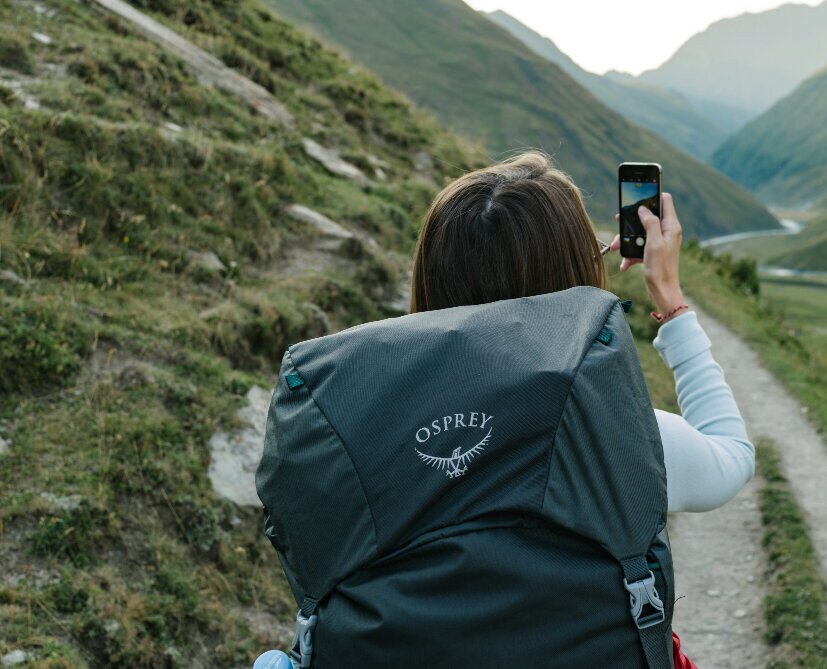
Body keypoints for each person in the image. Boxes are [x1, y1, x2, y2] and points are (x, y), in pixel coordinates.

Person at [255, 151, 751, 668]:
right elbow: (733, 456)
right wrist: (671, 304)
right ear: (576, 279)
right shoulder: (623, 437)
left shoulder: (348, 442)